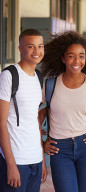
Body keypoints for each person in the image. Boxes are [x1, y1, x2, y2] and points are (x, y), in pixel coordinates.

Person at [39, 31, 86, 192]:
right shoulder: (50, 86)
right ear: (63, 58)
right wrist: (41, 143)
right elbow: (35, 113)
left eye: (81, 56)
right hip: (59, 148)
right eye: (71, 56)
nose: (76, 61)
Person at [0, 29, 47, 191]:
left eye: (40, 46)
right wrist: (11, 164)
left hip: (35, 159)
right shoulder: (9, 75)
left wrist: (42, 160)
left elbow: (34, 122)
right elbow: (1, 123)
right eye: (31, 46)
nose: (37, 51)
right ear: (20, 49)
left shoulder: (39, 78)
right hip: (16, 160)